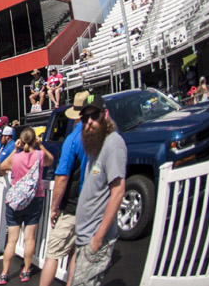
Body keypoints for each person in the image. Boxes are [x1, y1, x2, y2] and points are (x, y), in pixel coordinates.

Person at [72, 94, 126, 286]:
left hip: (95, 238)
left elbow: (118, 191)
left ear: (105, 114)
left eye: (94, 115)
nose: (90, 122)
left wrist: (98, 238)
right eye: (85, 118)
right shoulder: (95, 144)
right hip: (85, 236)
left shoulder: (113, 143)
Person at [0, 127, 54, 284]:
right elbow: (51, 160)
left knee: (12, 240)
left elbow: (1, 169)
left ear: (21, 140)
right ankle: (26, 270)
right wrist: (40, 145)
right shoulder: (39, 155)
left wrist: (15, 149)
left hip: (15, 202)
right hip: (35, 199)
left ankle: (4, 273)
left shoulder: (15, 158)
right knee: (30, 238)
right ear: (34, 139)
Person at [42, 92, 88, 286]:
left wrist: (54, 207)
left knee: (53, 253)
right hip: (91, 204)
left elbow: (62, 177)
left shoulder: (73, 138)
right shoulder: (102, 136)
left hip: (72, 205)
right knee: (76, 250)